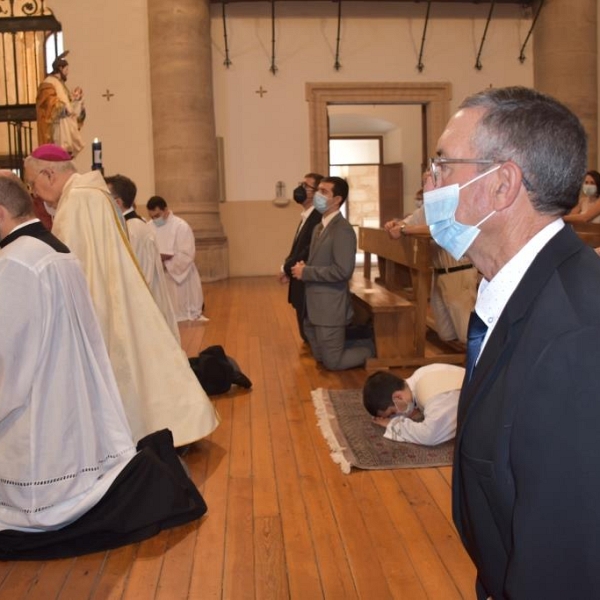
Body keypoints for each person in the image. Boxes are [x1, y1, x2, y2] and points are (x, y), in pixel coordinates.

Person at [423, 86, 600, 599]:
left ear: (501, 185)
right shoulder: (520, 286)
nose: (429, 183)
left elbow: (566, 559)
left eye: (442, 166)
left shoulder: (575, 337)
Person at [0, 173, 207, 560]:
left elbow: (9, 361)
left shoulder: (14, 262)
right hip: (64, 393)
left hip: (34, 417)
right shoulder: (56, 250)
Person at [23, 144, 219, 447]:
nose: (34, 192)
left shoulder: (77, 202)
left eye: (33, 183)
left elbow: (72, 269)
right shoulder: (95, 194)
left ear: (49, 173)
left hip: (100, 303)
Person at [291, 176, 374, 370]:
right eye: (318, 190)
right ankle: (354, 343)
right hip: (313, 306)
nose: (318, 195)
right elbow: (320, 261)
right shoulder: (319, 227)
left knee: (333, 363)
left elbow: (343, 270)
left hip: (330, 307)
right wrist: (305, 266)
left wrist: (307, 272)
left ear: (337, 200)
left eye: (324, 192)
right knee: (320, 357)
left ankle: (373, 348)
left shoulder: (342, 230)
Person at [384, 187, 477, 344]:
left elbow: (442, 229)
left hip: (458, 272)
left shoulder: (456, 203)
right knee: (446, 332)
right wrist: (394, 224)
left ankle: (475, 365)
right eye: (424, 180)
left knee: (465, 333)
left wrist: (404, 229)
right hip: (439, 272)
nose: (426, 185)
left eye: (430, 179)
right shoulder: (427, 209)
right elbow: (406, 224)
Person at [106, 174, 180, 341]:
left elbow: (139, 277)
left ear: (117, 203)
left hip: (139, 312)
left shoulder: (132, 230)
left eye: (105, 198)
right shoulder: (132, 226)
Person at [363, 364, 464, 446]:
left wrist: (392, 424)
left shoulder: (431, 395)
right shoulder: (419, 375)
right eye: (392, 416)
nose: (395, 416)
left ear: (398, 397)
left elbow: (429, 435)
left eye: (393, 412)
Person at [146, 196, 208, 323]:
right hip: (158, 273)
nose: (154, 219)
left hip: (179, 276)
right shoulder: (148, 227)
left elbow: (187, 254)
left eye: (157, 215)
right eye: (152, 217)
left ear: (166, 210)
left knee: (180, 310)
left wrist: (166, 264)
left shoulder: (181, 226)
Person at [278, 172, 323, 341]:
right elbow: (297, 247)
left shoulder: (317, 216)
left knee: (309, 333)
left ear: (316, 193)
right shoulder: (307, 215)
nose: (300, 189)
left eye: (306, 186)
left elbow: (306, 250)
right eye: (301, 184)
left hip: (307, 280)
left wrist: (286, 268)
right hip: (298, 277)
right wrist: (287, 267)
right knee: (304, 331)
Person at [35, 51, 85, 158]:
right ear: (60, 69)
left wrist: (77, 101)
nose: (67, 73)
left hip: (65, 127)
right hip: (57, 130)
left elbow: (68, 104)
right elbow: (48, 104)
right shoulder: (48, 83)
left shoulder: (60, 84)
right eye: (66, 70)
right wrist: (63, 108)